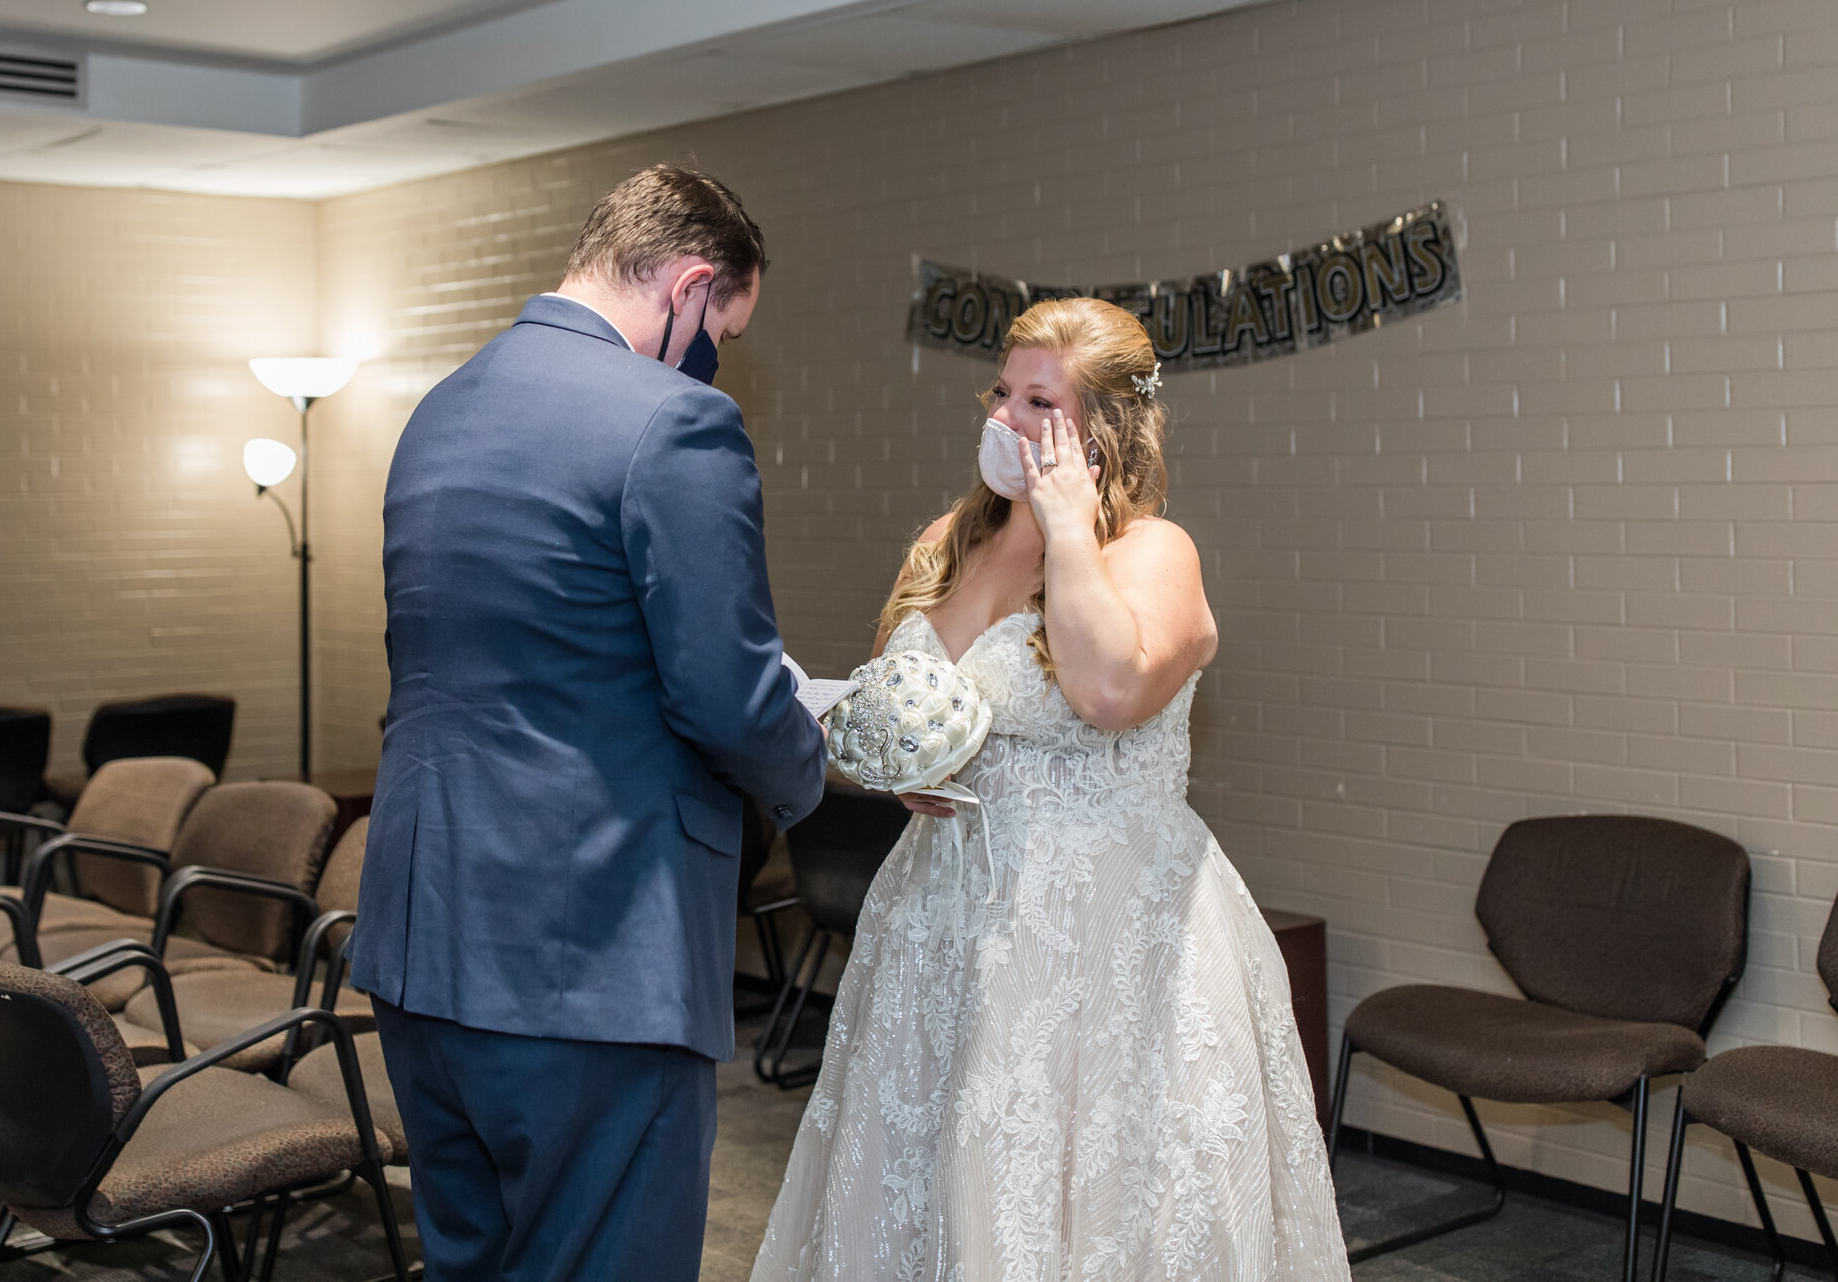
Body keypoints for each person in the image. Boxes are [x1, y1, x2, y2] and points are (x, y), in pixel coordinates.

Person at [753, 298, 1351, 1281]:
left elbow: (1109, 690)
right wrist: (905, 766)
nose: (1007, 416)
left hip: (1107, 923)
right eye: (1003, 391)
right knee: (939, 1169)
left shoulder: (1152, 552)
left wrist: (1068, 530)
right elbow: (888, 698)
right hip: (942, 907)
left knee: (1093, 1189)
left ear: (1102, 428)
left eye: (1039, 400)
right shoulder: (951, 538)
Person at [356, 164, 828, 1282]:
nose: (719, 355)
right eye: (724, 327)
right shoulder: (676, 420)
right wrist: (814, 754)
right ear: (689, 285)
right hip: (591, 948)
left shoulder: (443, 404)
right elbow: (724, 692)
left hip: (425, 942)